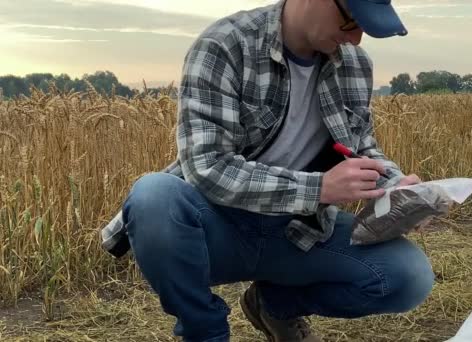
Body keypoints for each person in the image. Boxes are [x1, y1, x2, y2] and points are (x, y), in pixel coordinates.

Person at [100, 0, 435, 341]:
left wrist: (397, 187)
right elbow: (207, 165)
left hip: (298, 231)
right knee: (153, 195)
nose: (357, 39)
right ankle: (204, 331)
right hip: (216, 228)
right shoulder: (225, 45)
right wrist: (318, 189)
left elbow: (360, 146)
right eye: (353, 21)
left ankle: (274, 305)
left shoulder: (354, 64)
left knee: (409, 277)